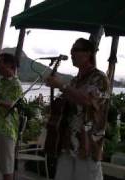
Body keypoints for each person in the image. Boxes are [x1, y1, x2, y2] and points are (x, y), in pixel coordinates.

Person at [46, 38, 110, 180]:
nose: (72, 54)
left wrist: (62, 85)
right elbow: (68, 105)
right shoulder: (75, 81)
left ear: (88, 54)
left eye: (75, 50)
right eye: (71, 50)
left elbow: (88, 101)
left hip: (88, 143)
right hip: (69, 143)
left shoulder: (100, 78)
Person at [0, 53, 22, 180]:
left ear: (9, 65)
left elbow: (11, 104)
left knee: (7, 166)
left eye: (1, 62)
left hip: (7, 128)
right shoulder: (0, 83)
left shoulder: (16, 84)